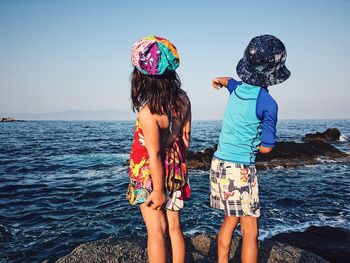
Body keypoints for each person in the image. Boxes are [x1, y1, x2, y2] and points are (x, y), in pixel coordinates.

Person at [209, 34, 291, 263]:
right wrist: (255, 145)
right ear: (274, 74)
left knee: (229, 220)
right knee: (250, 228)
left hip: (219, 163)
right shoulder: (267, 103)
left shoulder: (236, 87)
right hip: (241, 168)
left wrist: (217, 79)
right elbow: (266, 148)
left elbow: (228, 80)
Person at [126, 36, 191, 263]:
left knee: (155, 232)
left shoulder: (147, 111)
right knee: (174, 228)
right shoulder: (183, 100)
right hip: (175, 168)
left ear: (141, 76)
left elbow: (153, 153)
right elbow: (185, 138)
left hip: (150, 176)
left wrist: (159, 190)